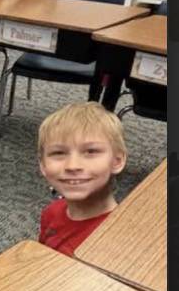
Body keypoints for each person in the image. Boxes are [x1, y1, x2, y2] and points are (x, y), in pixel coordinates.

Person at [37, 102, 127, 257]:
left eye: (91, 151)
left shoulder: (120, 236)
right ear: (43, 165)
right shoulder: (52, 212)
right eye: (58, 153)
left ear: (117, 161)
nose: (73, 166)